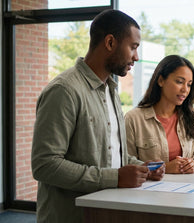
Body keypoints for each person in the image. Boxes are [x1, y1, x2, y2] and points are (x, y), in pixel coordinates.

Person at [31, 9, 164, 223]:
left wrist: (142, 167)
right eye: (133, 47)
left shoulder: (111, 90)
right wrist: (115, 177)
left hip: (104, 212)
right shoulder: (63, 90)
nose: (136, 57)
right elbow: (45, 165)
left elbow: (111, 154)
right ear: (110, 42)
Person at [125, 55, 194, 174]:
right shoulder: (133, 119)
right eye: (180, 82)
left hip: (187, 187)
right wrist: (164, 168)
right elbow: (127, 162)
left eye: (189, 84)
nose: (185, 90)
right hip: (149, 189)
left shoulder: (192, 115)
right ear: (161, 81)